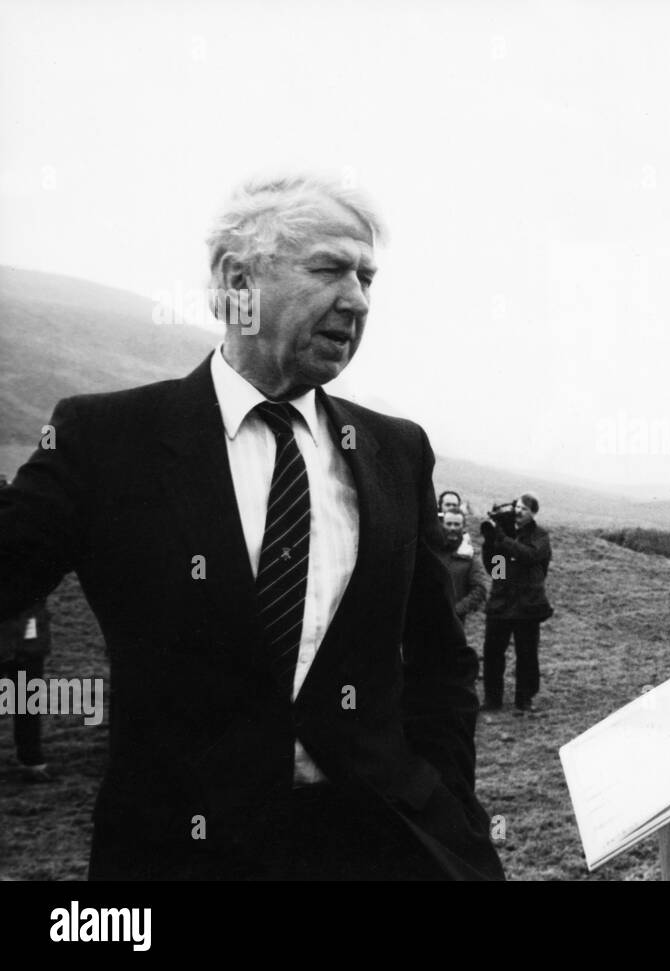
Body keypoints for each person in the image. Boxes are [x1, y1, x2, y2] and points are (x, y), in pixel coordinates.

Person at [0, 174, 503, 881]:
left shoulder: (396, 449)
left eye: (366, 277)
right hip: (181, 857)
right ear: (237, 280)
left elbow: (440, 658)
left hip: (379, 850)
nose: (356, 298)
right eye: (329, 268)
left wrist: (447, 798)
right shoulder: (104, 439)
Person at [479, 494, 552, 714]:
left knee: (527, 655)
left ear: (533, 513)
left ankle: (525, 698)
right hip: (502, 604)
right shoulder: (504, 533)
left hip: (527, 606)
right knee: (492, 654)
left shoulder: (540, 536)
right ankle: (492, 699)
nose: (518, 511)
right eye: (516, 507)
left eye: (524, 508)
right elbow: (496, 570)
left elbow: (530, 556)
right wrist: (491, 543)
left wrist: (503, 540)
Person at [0, 597, 53, 783]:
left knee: (28, 700)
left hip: (27, 635)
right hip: (27, 633)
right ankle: (31, 759)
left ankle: (31, 757)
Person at [435, 510, 490, 622]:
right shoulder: (432, 550)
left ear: (463, 526)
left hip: (452, 623)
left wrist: (456, 610)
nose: (452, 528)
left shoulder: (469, 556)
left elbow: (480, 589)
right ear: (442, 525)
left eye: (457, 524)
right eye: (449, 524)